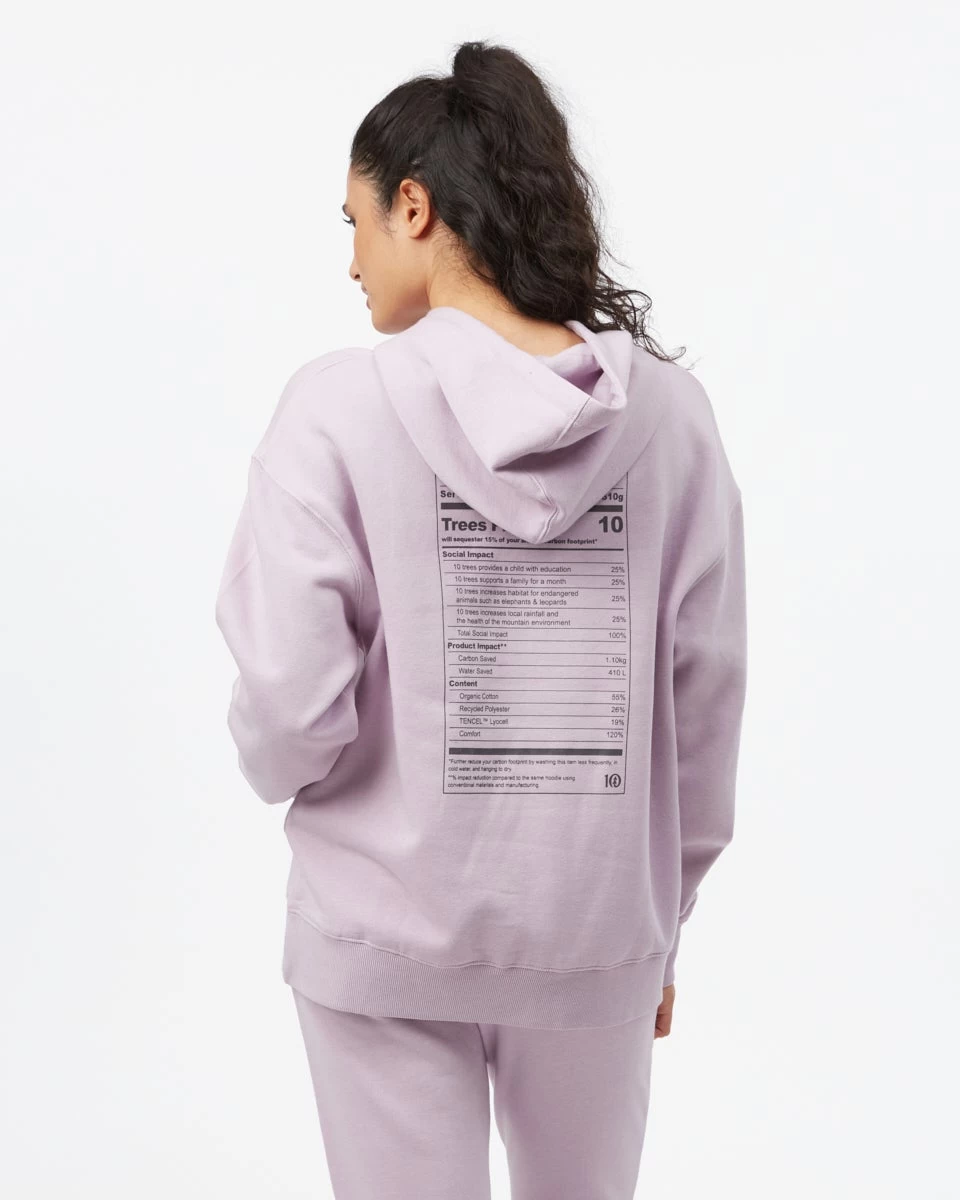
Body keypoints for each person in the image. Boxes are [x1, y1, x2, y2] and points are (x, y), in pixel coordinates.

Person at [214, 38, 747, 1200]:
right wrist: (663, 920)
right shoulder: (673, 421)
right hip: (597, 937)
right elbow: (703, 703)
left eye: (354, 222)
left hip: (379, 934)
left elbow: (289, 709)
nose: (351, 261)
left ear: (413, 207)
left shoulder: (336, 410)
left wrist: (290, 765)